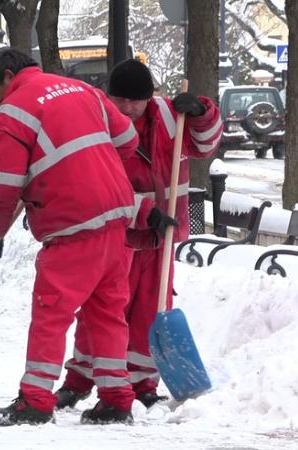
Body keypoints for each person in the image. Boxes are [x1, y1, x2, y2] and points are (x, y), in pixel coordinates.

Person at [0, 48, 175, 426]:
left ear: (4, 77)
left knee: (52, 312)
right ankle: (116, 399)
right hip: (117, 221)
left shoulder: (11, 116)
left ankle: (34, 400)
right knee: (107, 313)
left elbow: (2, 187)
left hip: (73, 225)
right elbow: (128, 141)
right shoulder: (82, 90)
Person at [54, 59, 222, 410]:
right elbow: (96, 179)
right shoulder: (98, 123)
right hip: (118, 230)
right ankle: (80, 378)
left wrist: (202, 113)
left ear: (150, 97)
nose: (127, 108)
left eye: (135, 101)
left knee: (151, 308)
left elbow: (204, 146)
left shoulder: (169, 117)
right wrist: (142, 214)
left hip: (162, 234)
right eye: (120, 100)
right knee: (102, 309)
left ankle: (143, 382)